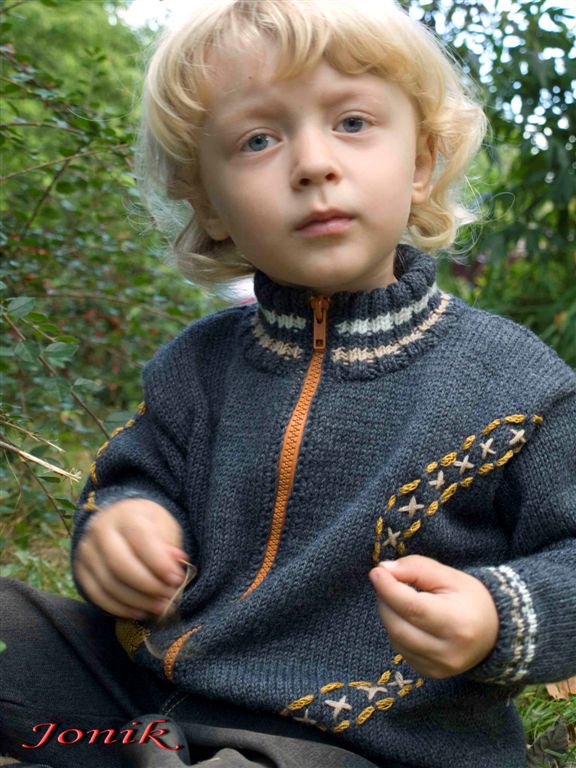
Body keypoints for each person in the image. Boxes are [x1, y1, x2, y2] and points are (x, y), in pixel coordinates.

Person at [1, 1, 575, 767]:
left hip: (365, 743)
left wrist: (498, 615)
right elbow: (134, 478)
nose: (312, 163)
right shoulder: (194, 368)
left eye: (352, 122)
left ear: (420, 162)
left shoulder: (516, 386)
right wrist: (121, 524)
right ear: (210, 204)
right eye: (258, 140)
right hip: (146, 694)